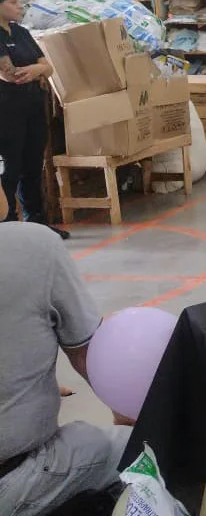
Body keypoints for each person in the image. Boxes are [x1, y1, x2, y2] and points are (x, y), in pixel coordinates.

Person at [0, 186, 132, 514]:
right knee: (142, 449)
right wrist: (128, 415)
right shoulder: (33, 246)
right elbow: (89, 357)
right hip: (16, 479)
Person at [0, 0, 69, 239]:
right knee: (12, 167)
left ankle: (37, 223)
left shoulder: (21, 32)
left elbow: (47, 67)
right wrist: (37, 70)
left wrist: (38, 70)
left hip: (33, 107)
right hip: (8, 111)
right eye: (12, 1)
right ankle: (8, 225)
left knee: (33, 166)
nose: (19, 6)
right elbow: (10, 75)